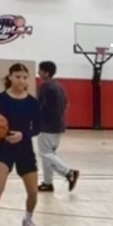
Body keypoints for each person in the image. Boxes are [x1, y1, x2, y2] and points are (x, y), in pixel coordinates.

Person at [0, 63, 41, 226]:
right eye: (17, 77)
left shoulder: (32, 103)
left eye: (24, 77)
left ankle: (28, 218)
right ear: (10, 77)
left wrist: (23, 135)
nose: (21, 80)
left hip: (24, 148)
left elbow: (37, 128)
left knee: (33, 191)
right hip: (4, 146)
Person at [36, 60, 79, 192]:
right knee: (49, 154)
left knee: (45, 154)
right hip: (58, 125)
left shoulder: (45, 86)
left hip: (46, 126)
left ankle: (69, 172)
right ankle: (47, 183)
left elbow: (40, 106)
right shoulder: (59, 86)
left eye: (40, 70)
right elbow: (66, 104)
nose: (38, 72)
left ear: (46, 72)